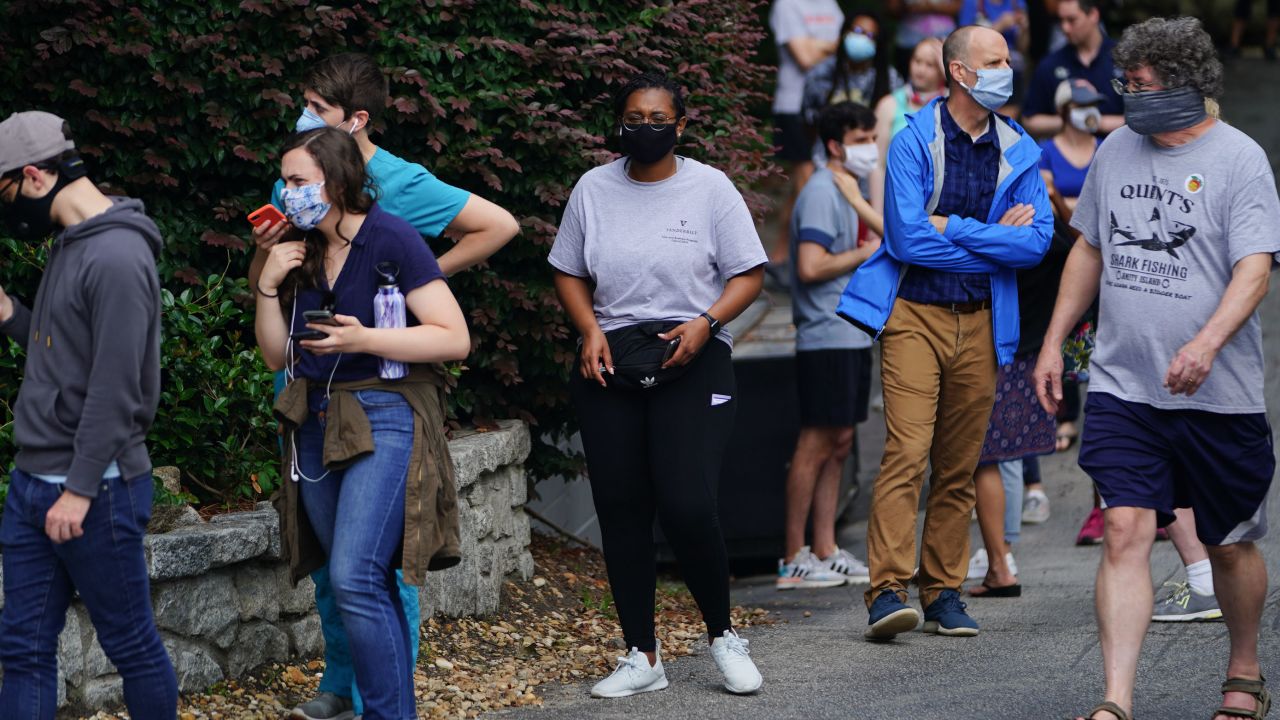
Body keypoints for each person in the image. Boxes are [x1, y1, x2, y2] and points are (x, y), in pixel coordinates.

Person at [247, 53, 518, 720]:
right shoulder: (298, 248)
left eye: (298, 181)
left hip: (387, 412)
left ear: (337, 180)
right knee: (350, 582)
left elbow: (452, 339)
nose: (288, 194)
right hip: (313, 418)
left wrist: (362, 337)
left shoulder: (393, 236)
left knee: (357, 575)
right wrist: (266, 282)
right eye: (284, 182)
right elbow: (276, 354)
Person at [1032, 18, 1280, 720]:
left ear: (1183, 86)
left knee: (1228, 544)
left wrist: (1205, 343)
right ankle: (1115, 702)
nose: (1125, 96)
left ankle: (1245, 669)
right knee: (1124, 528)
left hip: (1217, 393)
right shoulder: (1116, 149)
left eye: (1138, 85)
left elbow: (1255, 269)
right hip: (1124, 384)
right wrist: (1055, 341)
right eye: (1126, 81)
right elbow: (1088, 250)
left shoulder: (1240, 160)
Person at [549, 72, 767, 698]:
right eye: (634, 117)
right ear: (618, 123)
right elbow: (567, 270)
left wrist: (707, 323)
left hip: (692, 357)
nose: (645, 128)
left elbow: (748, 274)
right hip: (611, 361)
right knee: (621, 511)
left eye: (658, 117)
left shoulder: (710, 188)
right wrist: (589, 329)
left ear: (681, 124)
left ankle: (724, 635)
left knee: (689, 502)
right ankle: (642, 656)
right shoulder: (593, 188)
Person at [837, 25, 1052, 641]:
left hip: (985, 320)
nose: (1007, 69)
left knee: (958, 465)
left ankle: (943, 593)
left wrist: (953, 228)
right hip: (913, 317)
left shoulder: (1020, 148)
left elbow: (1035, 243)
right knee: (906, 453)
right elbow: (906, 239)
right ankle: (885, 593)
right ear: (959, 72)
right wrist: (992, 243)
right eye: (995, 61)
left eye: (1008, 59)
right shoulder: (910, 142)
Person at [0, 112, 178, 719]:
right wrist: (6, 313)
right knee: (22, 647)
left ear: (32, 177)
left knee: (129, 643)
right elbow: (63, 355)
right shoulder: (70, 245)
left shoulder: (119, 256)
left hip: (95, 493)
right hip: (32, 483)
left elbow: (116, 388)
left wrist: (76, 491)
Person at [777, 102, 882, 591]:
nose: (870, 147)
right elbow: (810, 267)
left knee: (840, 443)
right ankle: (793, 556)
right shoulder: (821, 191)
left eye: (872, 136)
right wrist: (867, 251)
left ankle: (824, 547)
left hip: (852, 330)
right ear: (836, 145)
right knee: (816, 441)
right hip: (825, 332)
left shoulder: (850, 186)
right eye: (861, 138)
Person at [1022, 78, 1105, 534]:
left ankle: (1126, 504)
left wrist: (1066, 205)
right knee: (1083, 387)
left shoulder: (1112, 148)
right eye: (1081, 104)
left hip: (1113, 286)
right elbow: (1061, 222)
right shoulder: (1044, 151)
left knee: (1112, 400)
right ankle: (1099, 504)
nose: (1089, 111)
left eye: (1095, 103)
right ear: (1064, 108)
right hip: (1067, 280)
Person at [768, 0, 844, 264]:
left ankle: (780, 257)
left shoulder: (830, 4)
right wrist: (831, 46)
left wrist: (817, 45)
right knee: (808, 183)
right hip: (793, 106)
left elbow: (843, 47)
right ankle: (805, 260)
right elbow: (805, 58)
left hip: (824, 106)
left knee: (801, 187)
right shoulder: (787, 5)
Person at [801, 12, 903, 167]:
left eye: (869, 35)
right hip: (827, 162)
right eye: (857, 31)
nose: (861, 38)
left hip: (871, 164)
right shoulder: (820, 73)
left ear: (877, 43)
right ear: (844, 33)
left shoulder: (890, 79)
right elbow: (809, 122)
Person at [1022, 0, 1125, 138]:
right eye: (1061, 20)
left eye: (1072, 20)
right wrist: (1069, 120)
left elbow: (1142, 114)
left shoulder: (1124, 58)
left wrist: (1095, 121)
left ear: (1093, 15)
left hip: (1116, 150)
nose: (1065, 28)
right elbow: (1030, 120)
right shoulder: (1050, 64)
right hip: (1067, 152)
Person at [871, 38, 946, 216]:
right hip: (894, 205)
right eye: (917, 61)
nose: (920, 69)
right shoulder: (888, 104)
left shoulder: (952, 106)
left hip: (940, 212)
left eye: (930, 64)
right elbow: (877, 165)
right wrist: (876, 216)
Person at [888, 0, 962, 77]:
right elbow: (892, 8)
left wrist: (927, 6)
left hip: (943, 40)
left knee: (947, 78)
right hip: (909, 43)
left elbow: (957, 7)